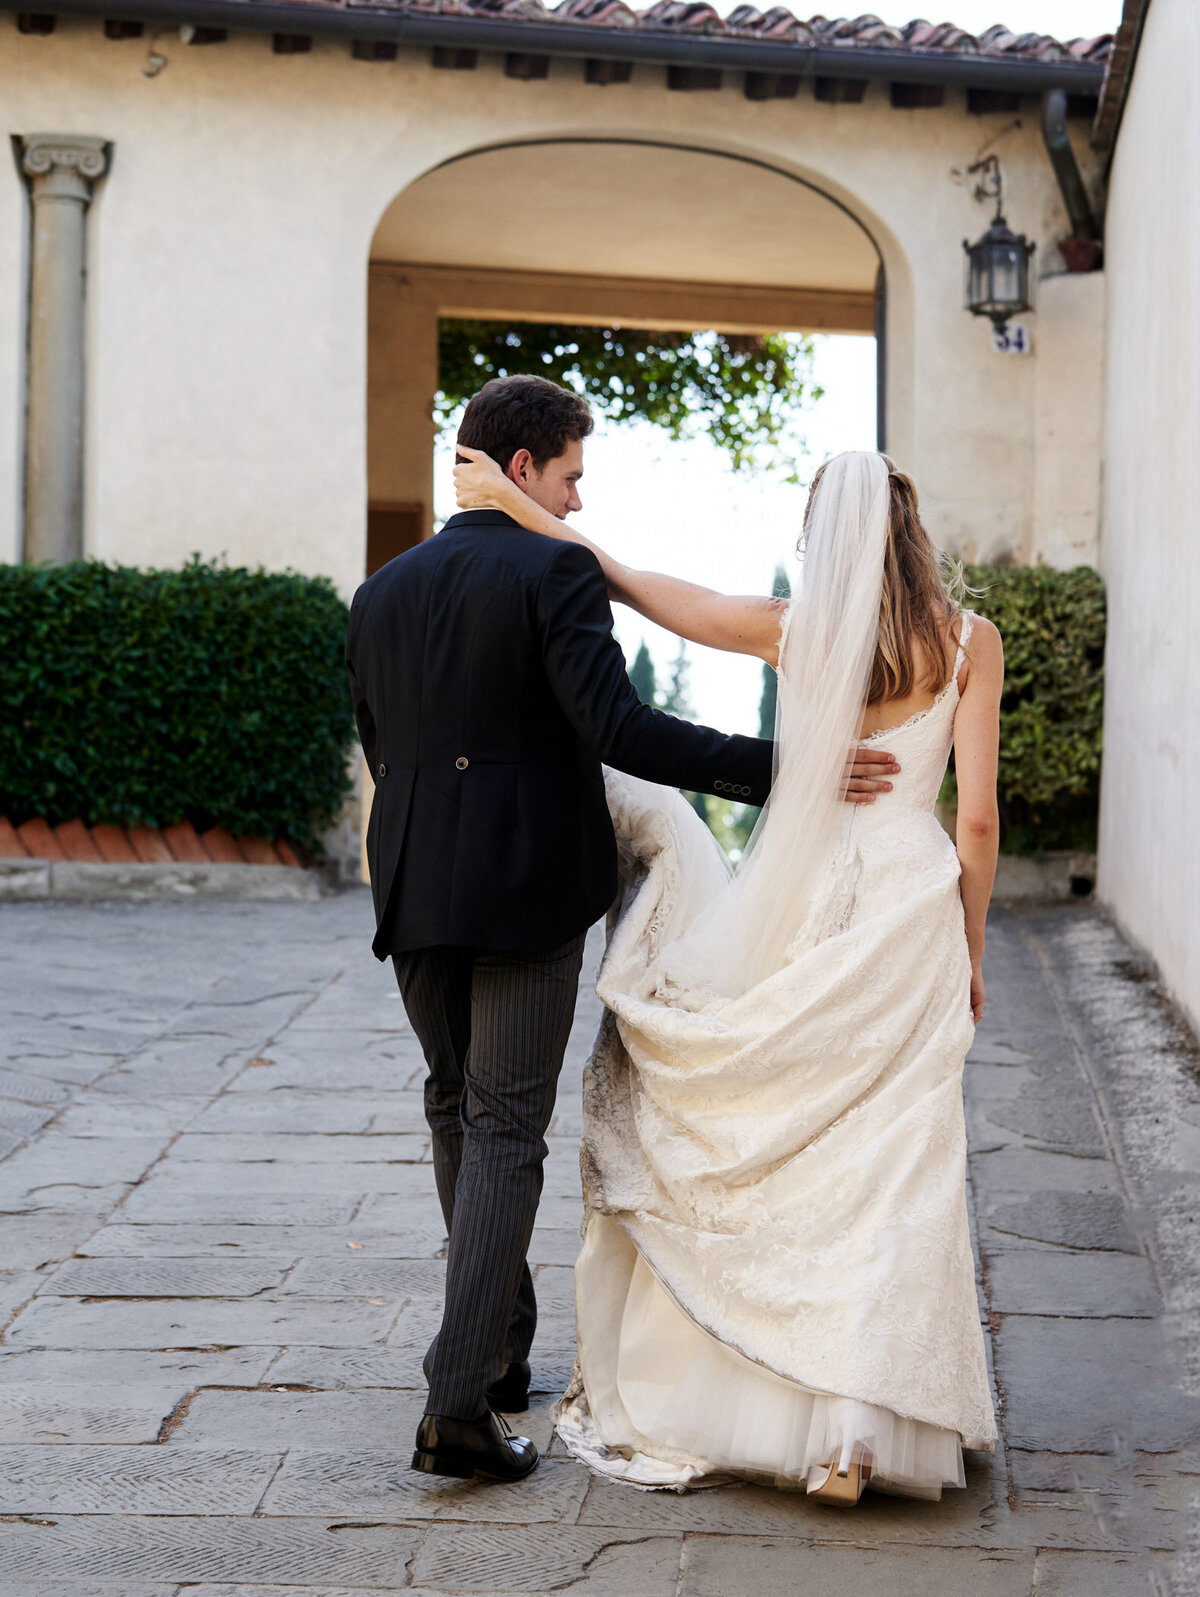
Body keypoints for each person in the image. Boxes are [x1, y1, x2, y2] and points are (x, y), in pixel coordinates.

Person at [344, 376, 898, 1485]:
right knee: (504, 1127)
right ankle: (456, 1408)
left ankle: (495, 1355)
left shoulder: (382, 590)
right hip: (527, 887)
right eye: (571, 475)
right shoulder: (554, 570)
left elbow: (379, 740)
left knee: (455, 1108)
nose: (579, 502)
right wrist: (787, 771)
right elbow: (622, 728)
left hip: (411, 889)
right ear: (521, 467)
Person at [452, 440, 1003, 1503]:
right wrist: (970, 946)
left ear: (820, 538)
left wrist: (516, 506)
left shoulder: (792, 630)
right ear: (911, 531)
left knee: (801, 1152)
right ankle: (853, 1437)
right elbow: (974, 817)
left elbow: (635, 583)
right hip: (909, 911)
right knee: (899, 1166)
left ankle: (784, 1399)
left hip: (804, 905)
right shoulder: (970, 641)